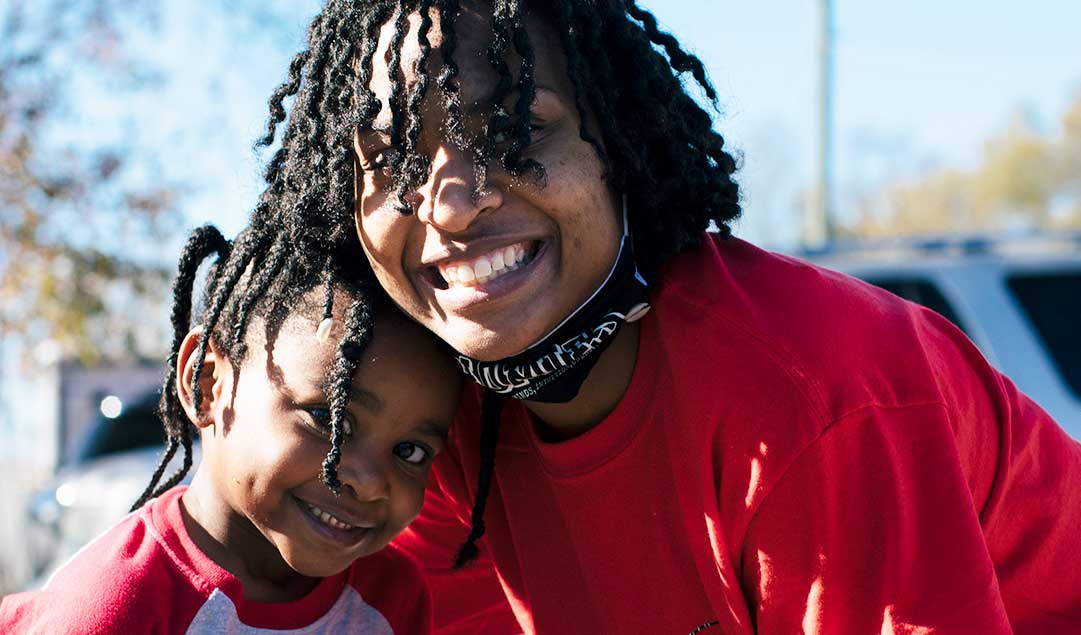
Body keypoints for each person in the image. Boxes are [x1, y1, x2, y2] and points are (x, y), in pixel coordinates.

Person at [204, 1, 1081, 633]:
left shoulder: (812, 389)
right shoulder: (433, 430)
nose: (452, 203)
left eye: (513, 133)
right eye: (392, 158)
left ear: (618, 145)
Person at [0, 220, 461, 634]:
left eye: (410, 451)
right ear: (208, 384)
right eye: (330, 419)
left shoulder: (393, 599)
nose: (368, 481)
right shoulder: (114, 609)